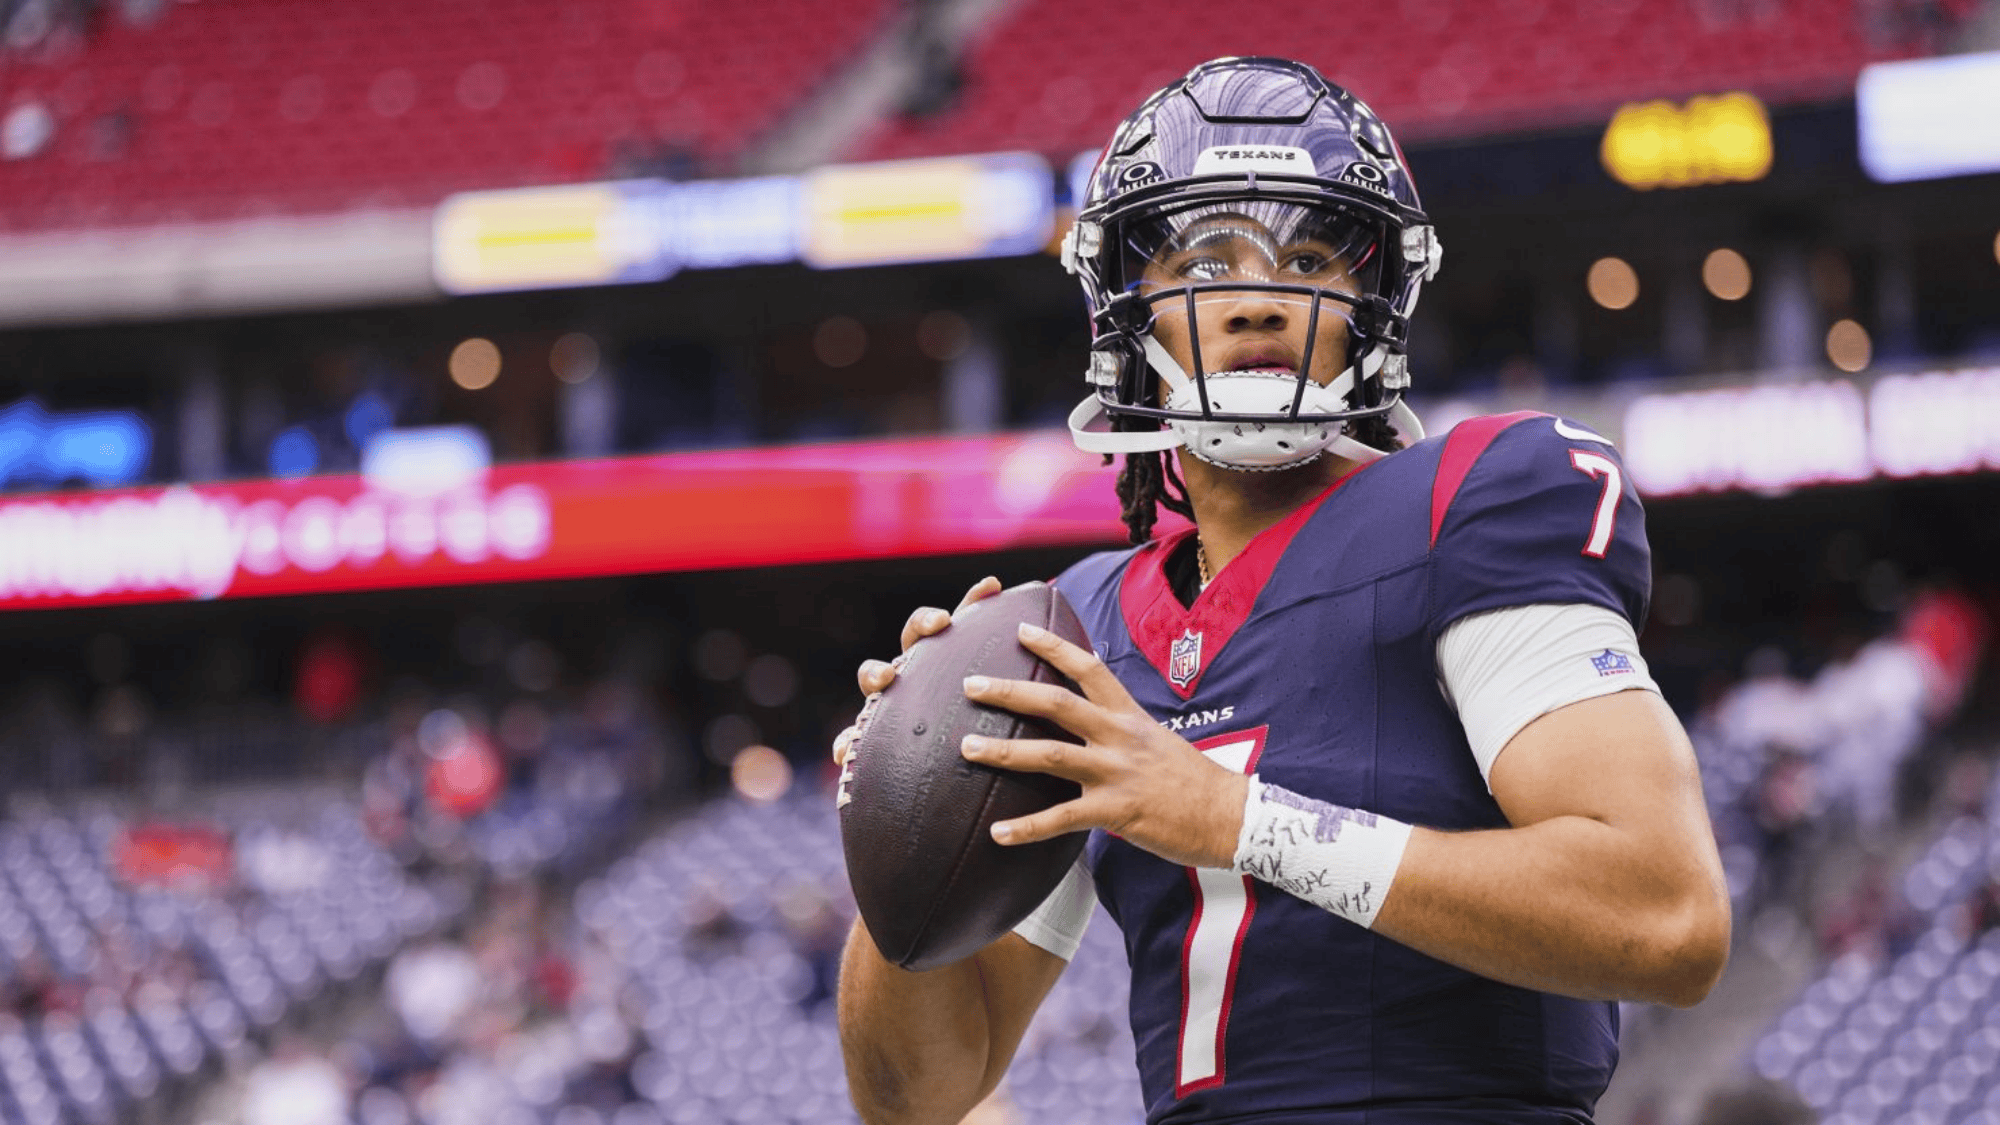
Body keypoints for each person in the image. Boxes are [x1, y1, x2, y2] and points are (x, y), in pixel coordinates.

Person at [835, 56, 1731, 1125]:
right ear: (1129, 313)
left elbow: (1664, 918)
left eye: (1307, 256)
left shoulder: (1473, 500)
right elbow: (914, 1095)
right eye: (1206, 259)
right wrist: (898, 820)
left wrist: (1234, 821)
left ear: (1370, 304)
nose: (1258, 295)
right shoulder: (1073, 625)